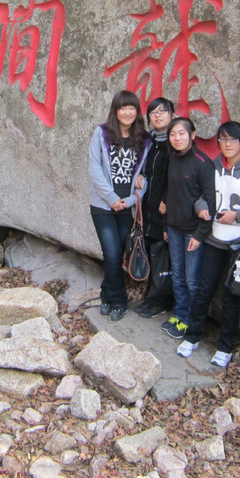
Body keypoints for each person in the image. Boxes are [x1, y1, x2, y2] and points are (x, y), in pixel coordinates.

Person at [177, 121, 240, 367]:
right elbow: (200, 196)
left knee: (231, 296)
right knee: (203, 289)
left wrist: (237, 216)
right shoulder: (212, 167)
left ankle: (225, 346)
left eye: (231, 139)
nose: (226, 144)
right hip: (213, 239)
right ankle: (192, 336)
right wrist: (201, 209)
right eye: (222, 139)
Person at [88, 90, 149, 322]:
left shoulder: (145, 140)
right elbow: (94, 168)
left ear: (137, 111)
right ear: (115, 110)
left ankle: (106, 294)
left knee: (121, 254)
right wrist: (112, 198)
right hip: (103, 205)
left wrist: (133, 199)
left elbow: (145, 175)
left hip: (128, 207)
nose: (127, 112)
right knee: (112, 254)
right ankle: (119, 301)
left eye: (131, 108)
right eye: (122, 108)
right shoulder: (102, 133)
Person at [161, 116, 215, 339]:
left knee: (192, 280)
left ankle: (192, 322)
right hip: (173, 228)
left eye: (181, 133)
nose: (177, 138)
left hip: (193, 232)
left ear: (193, 135)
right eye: (173, 134)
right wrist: (166, 224)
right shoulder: (173, 157)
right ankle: (180, 315)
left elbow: (211, 202)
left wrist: (200, 234)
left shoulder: (203, 164)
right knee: (178, 277)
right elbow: (170, 194)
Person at [133, 97, 175, 318]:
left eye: (162, 111)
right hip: (148, 207)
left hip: (164, 211)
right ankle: (152, 298)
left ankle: (160, 301)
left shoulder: (175, 142)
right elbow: (143, 167)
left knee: (161, 255)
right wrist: (139, 175)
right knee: (152, 253)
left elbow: (178, 176)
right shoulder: (150, 143)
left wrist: (167, 199)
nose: (157, 116)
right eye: (153, 113)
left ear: (172, 115)